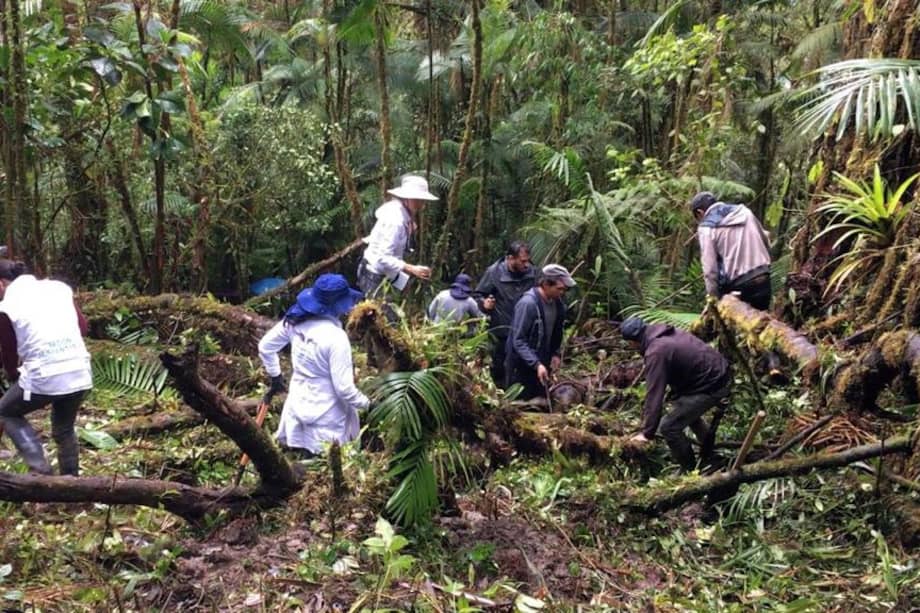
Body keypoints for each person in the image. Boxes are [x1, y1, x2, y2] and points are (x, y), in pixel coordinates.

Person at [258, 273, 369, 457]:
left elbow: (265, 346)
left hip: (298, 405)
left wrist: (276, 376)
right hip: (328, 417)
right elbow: (344, 389)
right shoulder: (336, 337)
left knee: (303, 465)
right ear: (336, 304)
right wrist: (368, 405)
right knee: (324, 470)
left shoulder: (295, 321)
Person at [0, 260, 92, 476]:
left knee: (5, 411)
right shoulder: (58, 289)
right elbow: (83, 328)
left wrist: (13, 375)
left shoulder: (6, 307)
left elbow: (9, 351)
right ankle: (72, 484)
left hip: (44, 375)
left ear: (2, 283)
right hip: (79, 370)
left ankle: (39, 468)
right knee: (64, 429)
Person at [622, 316, 732, 472]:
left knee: (668, 427)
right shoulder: (665, 331)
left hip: (713, 385)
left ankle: (691, 472)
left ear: (632, 342)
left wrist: (647, 433)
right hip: (719, 374)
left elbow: (654, 394)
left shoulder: (656, 351)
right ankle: (709, 454)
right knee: (682, 407)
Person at [357, 174, 437, 298]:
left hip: (385, 274)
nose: (421, 204)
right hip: (373, 274)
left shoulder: (403, 215)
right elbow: (382, 257)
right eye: (417, 200)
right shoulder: (395, 220)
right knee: (382, 315)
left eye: (423, 200)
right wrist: (410, 268)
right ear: (407, 198)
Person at [690, 191, 772, 310]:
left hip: (738, 287)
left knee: (737, 326)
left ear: (700, 212)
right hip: (763, 278)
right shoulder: (744, 212)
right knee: (761, 322)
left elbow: (710, 270)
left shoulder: (706, 227)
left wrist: (713, 300)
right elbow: (765, 239)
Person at [505, 264, 576, 400]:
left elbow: (556, 332)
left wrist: (555, 354)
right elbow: (518, 340)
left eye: (565, 290)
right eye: (559, 289)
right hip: (521, 366)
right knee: (521, 406)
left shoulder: (558, 305)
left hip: (542, 363)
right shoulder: (528, 304)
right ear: (546, 284)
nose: (562, 293)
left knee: (540, 403)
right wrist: (536, 363)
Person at [474, 241, 536, 387]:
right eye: (522, 261)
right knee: (499, 367)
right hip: (501, 330)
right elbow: (478, 295)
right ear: (510, 258)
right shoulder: (494, 272)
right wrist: (484, 304)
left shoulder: (533, 273)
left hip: (525, 331)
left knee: (523, 368)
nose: (526, 265)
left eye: (528, 261)